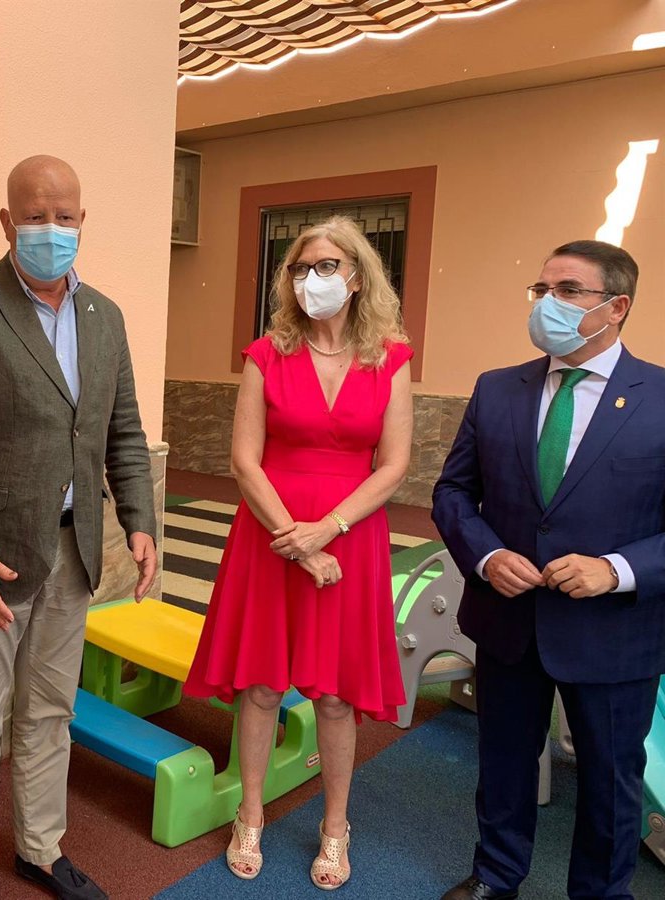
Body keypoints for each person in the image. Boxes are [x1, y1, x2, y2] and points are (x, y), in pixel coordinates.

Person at [0, 155, 158, 900]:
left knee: (50, 713)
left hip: (73, 550)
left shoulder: (104, 317)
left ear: (83, 221)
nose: (52, 229)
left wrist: (140, 521)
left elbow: (123, 434)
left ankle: (41, 850)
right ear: (7, 223)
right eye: (36, 216)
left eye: (65, 216)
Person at [183, 216, 413, 890]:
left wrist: (328, 528)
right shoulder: (266, 354)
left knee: (337, 696)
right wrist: (297, 539)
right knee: (259, 686)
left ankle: (335, 826)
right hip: (269, 534)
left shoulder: (391, 358)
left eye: (328, 265)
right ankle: (249, 815)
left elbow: (394, 466)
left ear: (357, 276)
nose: (313, 278)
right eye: (301, 267)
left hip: (352, 538)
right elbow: (244, 461)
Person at [432, 240, 665, 900]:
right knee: (503, 761)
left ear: (616, 307)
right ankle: (495, 875)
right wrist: (486, 555)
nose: (546, 304)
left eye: (567, 291)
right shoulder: (497, 388)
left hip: (614, 631)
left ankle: (601, 893)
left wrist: (615, 569)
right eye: (541, 290)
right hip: (510, 621)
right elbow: (453, 492)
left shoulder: (660, 396)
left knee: (610, 778)